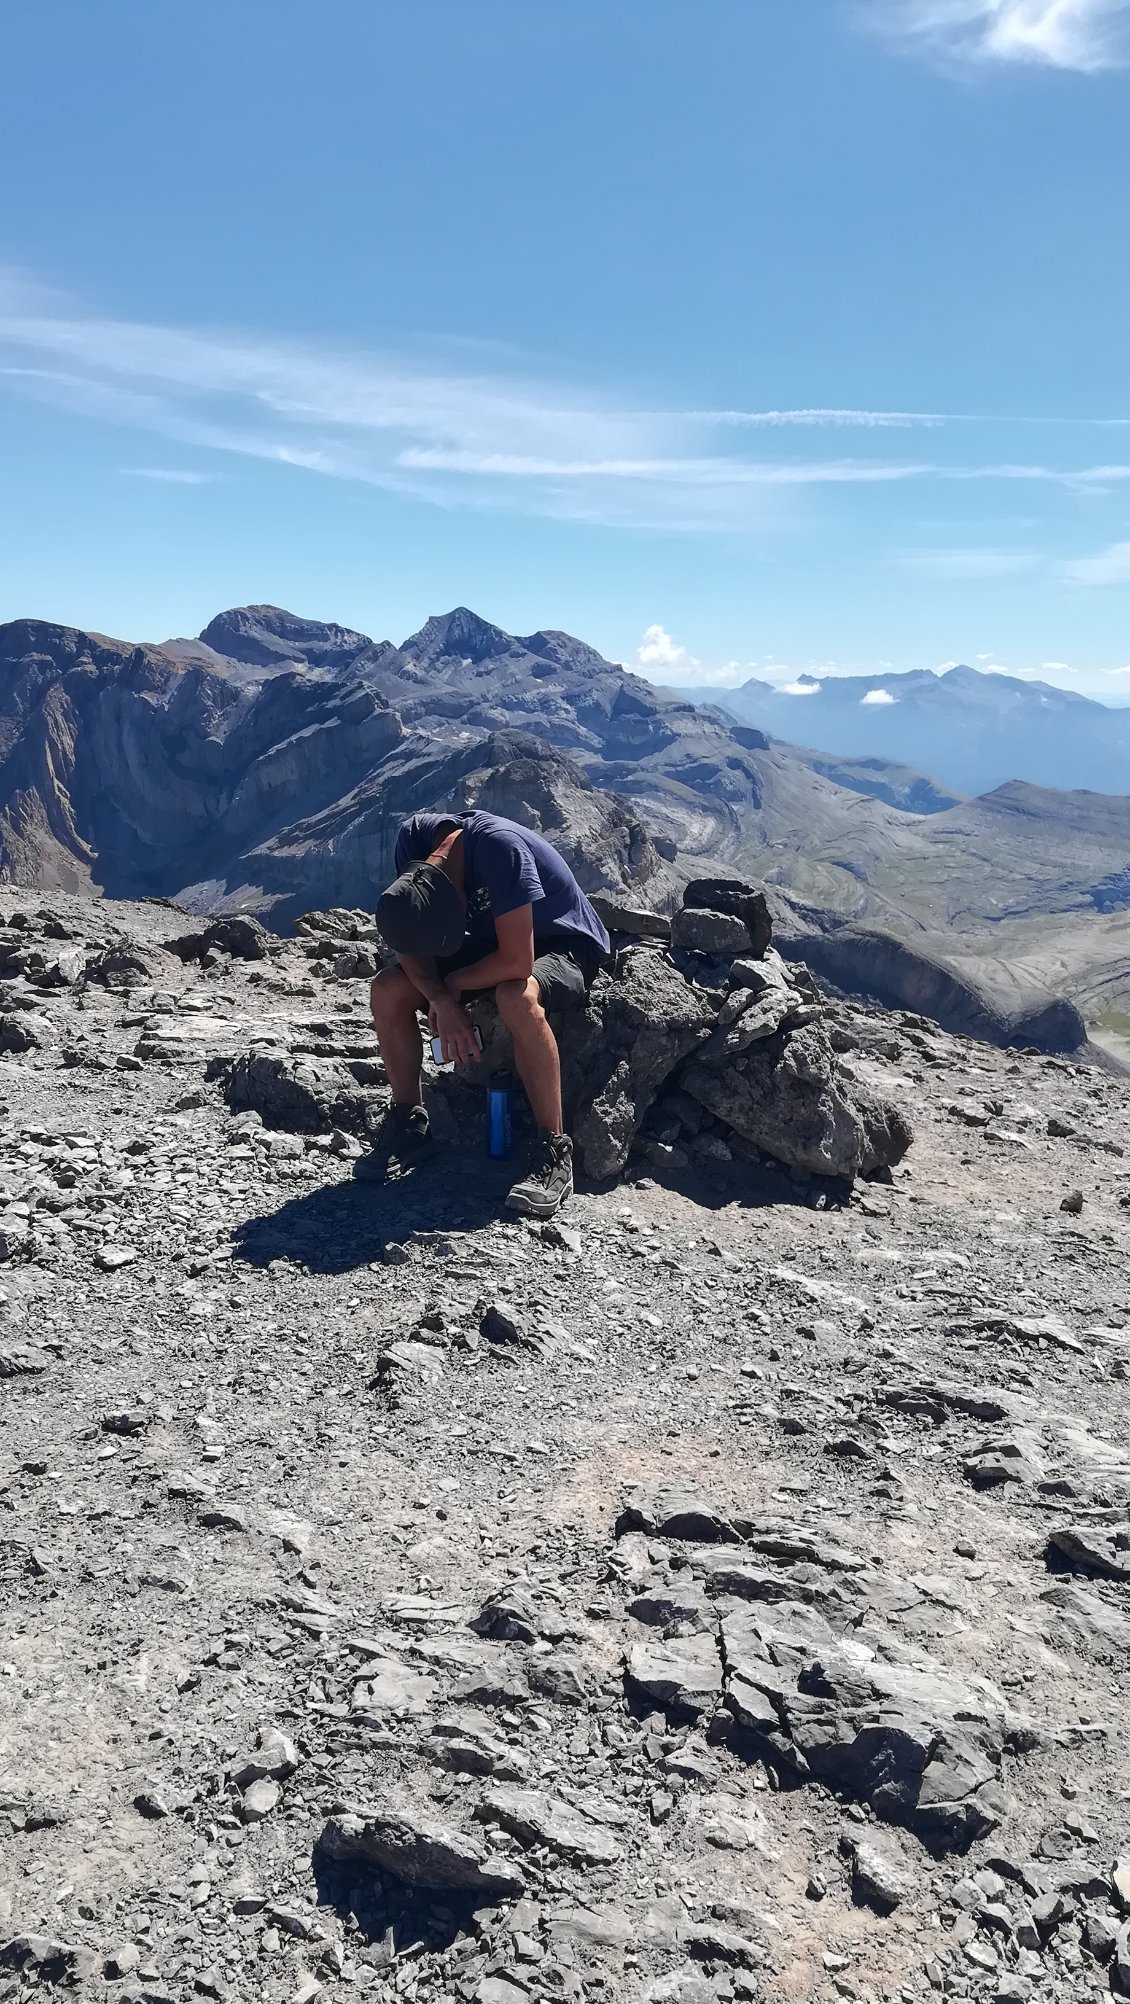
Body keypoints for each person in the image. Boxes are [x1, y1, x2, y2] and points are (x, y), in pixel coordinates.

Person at [358, 809, 611, 1217]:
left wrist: (454, 984)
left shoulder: (500, 850)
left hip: (559, 942)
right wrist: (439, 999)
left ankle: (554, 1148)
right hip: (487, 940)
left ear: (458, 899)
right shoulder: (415, 843)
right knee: (388, 989)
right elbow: (406, 933)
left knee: (517, 997)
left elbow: (516, 962)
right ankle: (409, 1124)